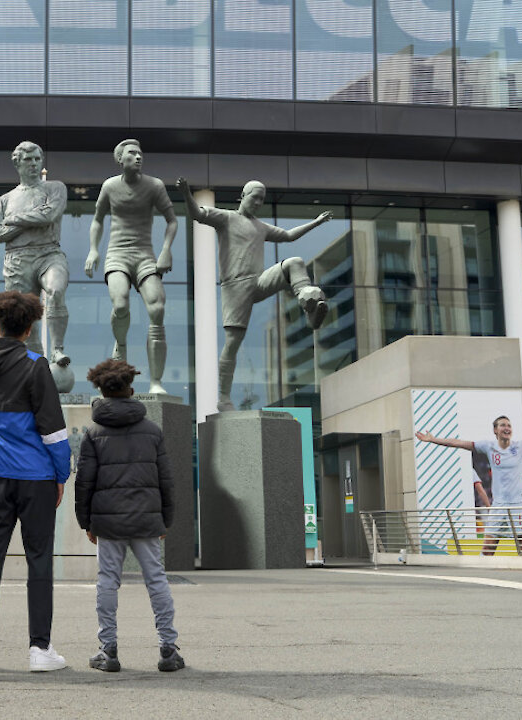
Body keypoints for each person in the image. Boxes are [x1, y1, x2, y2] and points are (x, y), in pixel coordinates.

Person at [0, 290, 72, 673]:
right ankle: (39, 650)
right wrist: (62, 474)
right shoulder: (35, 365)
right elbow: (54, 431)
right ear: (30, 328)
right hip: (37, 479)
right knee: (39, 559)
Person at [176, 177, 333, 411]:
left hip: (258, 282)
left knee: (294, 262)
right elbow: (197, 214)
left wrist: (316, 223)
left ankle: (307, 302)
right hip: (235, 287)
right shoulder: (226, 218)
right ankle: (224, 397)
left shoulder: (261, 227)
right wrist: (186, 193)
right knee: (232, 344)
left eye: (262, 199)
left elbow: (289, 236)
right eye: (255, 197)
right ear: (243, 195)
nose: (259, 202)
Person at [74, 359, 184, 673]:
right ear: (130, 389)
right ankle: (167, 649)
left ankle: (108, 651)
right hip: (147, 519)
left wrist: (86, 522)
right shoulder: (152, 430)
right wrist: (166, 519)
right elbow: (166, 479)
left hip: (107, 521)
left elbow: (85, 481)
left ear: (101, 391)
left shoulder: (93, 432)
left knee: (108, 581)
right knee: (156, 580)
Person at [86, 139, 178, 394]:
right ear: (120, 159)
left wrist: (166, 250)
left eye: (140, 153)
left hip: (145, 256)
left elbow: (172, 221)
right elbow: (97, 220)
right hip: (117, 254)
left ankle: (156, 382)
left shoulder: (154, 185)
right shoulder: (110, 186)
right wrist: (94, 249)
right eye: (132, 154)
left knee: (157, 310)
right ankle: (121, 342)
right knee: (120, 305)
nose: (138, 157)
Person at [0, 141, 71, 375]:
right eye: (28, 159)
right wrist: (29, 221)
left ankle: (57, 348)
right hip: (17, 259)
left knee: (56, 289)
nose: (34, 163)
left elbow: (50, 214)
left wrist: (14, 220)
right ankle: (37, 364)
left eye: (37, 159)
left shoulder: (55, 188)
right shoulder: (6, 199)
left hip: (49, 252)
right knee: (25, 315)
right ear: (17, 163)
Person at [415, 416, 522, 556]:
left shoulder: (521, 446)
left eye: (509, 425)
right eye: (502, 425)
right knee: (488, 549)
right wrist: (433, 439)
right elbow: (458, 443)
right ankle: (482, 574)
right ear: (495, 430)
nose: (507, 428)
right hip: (499, 505)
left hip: (519, 505)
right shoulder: (489, 446)